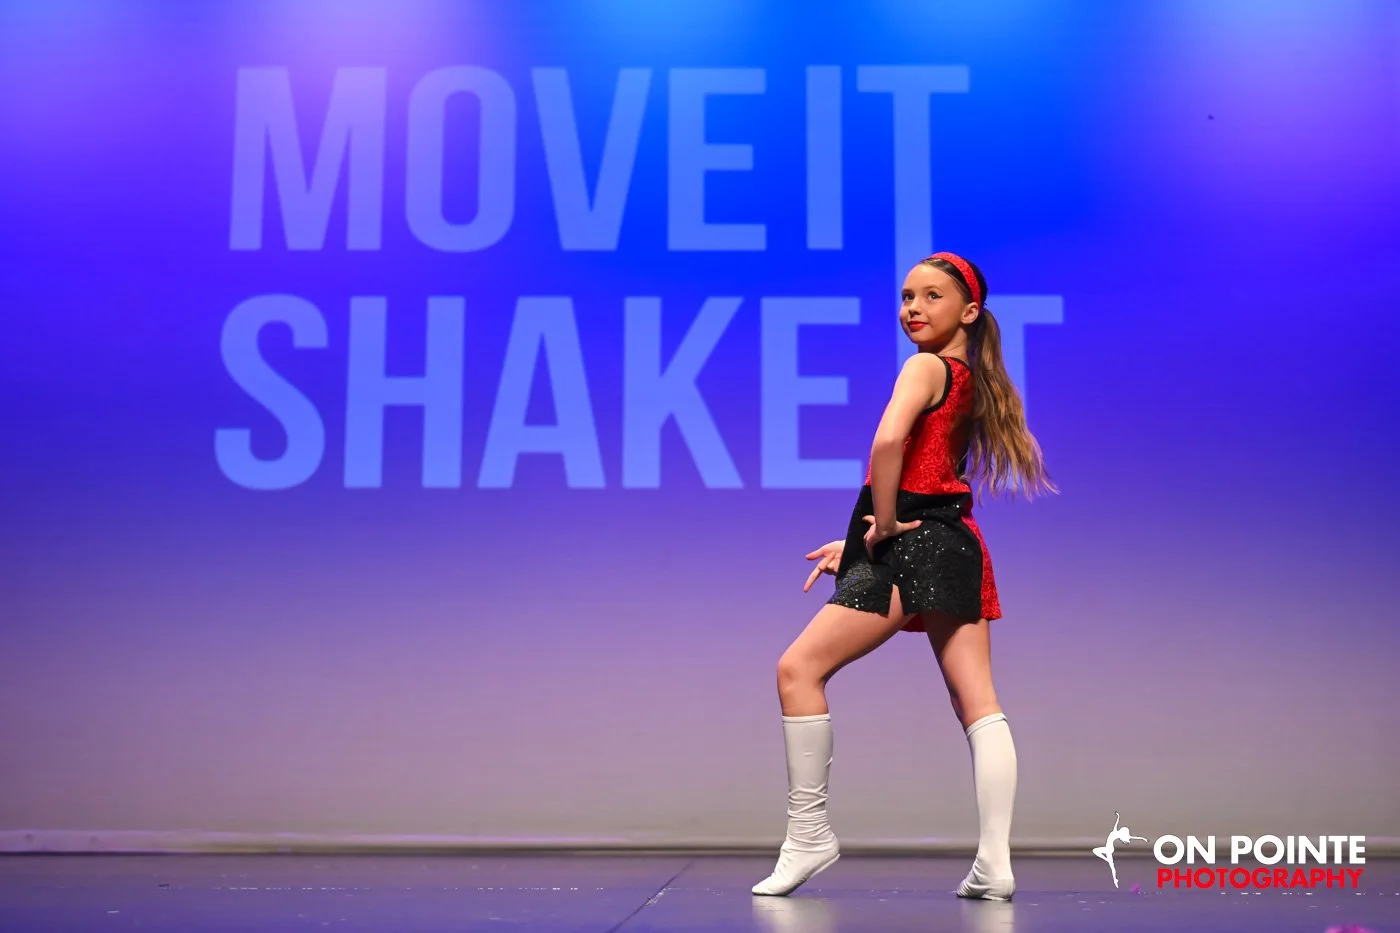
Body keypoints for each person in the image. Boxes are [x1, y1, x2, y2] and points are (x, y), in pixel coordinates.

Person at [751, 252, 1055, 902]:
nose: (912, 307)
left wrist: (883, 527)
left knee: (796, 670)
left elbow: (889, 444)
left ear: (968, 311)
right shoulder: (969, 376)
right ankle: (994, 861)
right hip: (955, 542)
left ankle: (808, 835)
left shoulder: (924, 367)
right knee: (978, 703)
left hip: (912, 545)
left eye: (931, 296)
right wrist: (862, 534)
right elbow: (927, 472)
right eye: (906, 295)